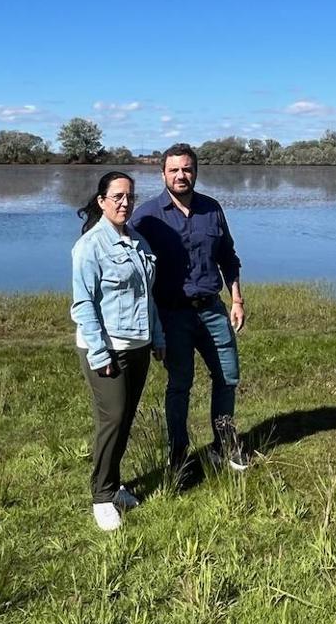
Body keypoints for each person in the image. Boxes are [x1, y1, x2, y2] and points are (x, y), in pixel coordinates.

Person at [132, 143, 249, 474]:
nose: (181, 175)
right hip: (172, 314)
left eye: (187, 169)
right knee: (180, 384)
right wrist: (150, 326)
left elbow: (228, 256)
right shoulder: (148, 216)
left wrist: (236, 299)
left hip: (212, 309)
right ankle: (179, 453)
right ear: (163, 174)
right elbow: (134, 268)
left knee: (227, 376)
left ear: (195, 172)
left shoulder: (212, 209)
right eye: (174, 170)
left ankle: (223, 444)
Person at [70, 171, 165, 531]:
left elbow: (148, 298)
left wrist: (157, 338)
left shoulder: (139, 242)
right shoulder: (89, 247)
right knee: (112, 418)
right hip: (107, 347)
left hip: (139, 345)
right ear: (102, 201)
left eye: (130, 197)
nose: (125, 203)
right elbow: (83, 305)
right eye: (117, 197)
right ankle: (101, 496)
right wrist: (100, 353)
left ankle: (113, 484)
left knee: (125, 419)